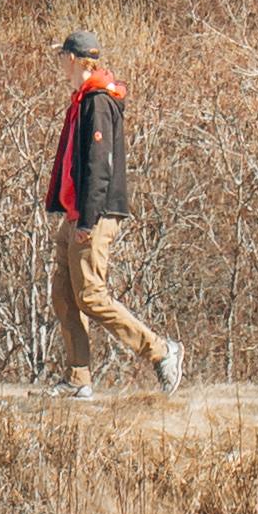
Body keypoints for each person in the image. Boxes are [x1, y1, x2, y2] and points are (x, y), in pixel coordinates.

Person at [44, 31, 181, 394]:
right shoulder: (81, 101)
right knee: (62, 292)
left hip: (94, 214)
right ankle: (78, 379)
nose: (59, 61)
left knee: (90, 295)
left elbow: (98, 166)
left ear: (72, 59)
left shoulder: (98, 102)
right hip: (76, 212)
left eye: (61, 56)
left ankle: (161, 351)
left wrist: (87, 220)